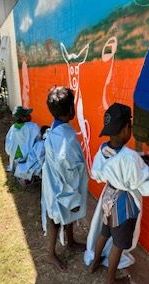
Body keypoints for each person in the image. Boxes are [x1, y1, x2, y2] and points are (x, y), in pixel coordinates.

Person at [84, 102, 149, 284]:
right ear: (127, 129)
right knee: (118, 244)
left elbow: (98, 172)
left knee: (105, 231)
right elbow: (148, 187)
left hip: (108, 197)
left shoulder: (103, 149)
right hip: (124, 206)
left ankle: (93, 263)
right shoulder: (131, 158)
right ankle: (110, 281)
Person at [41, 86, 88, 272]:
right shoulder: (65, 141)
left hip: (56, 181)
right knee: (55, 217)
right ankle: (50, 254)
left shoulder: (59, 129)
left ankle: (70, 241)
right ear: (71, 110)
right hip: (62, 186)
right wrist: (73, 198)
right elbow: (68, 173)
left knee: (65, 215)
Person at [5, 106, 40, 173]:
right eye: (27, 115)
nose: (30, 116)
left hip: (14, 156)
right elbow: (39, 137)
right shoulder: (32, 126)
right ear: (23, 118)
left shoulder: (13, 127)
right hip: (27, 156)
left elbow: (8, 143)